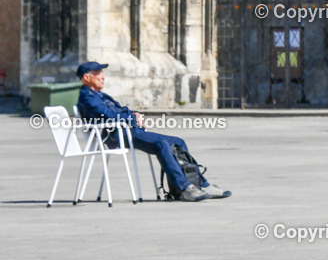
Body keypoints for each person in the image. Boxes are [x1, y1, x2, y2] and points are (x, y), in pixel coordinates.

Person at [75, 62, 229, 202]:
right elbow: (110, 116)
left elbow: (121, 110)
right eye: (98, 73)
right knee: (161, 144)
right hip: (117, 136)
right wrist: (133, 118)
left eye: (102, 73)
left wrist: (134, 114)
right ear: (87, 77)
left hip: (127, 130)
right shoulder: (88, 98)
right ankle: (184, 188)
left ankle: (201, 183)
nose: (103, 76)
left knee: (178, 142)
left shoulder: (98, 95)